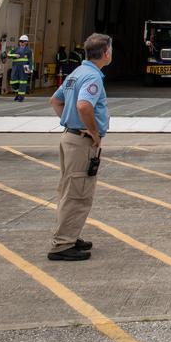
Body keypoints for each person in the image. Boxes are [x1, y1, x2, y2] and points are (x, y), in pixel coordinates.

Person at [48, 33, 113, 262]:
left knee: (69, 190)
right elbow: (84, 105)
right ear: (106, 53)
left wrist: (70, 121)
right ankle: (62, 244)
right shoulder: (93, 77)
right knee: (78, 193)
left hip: (69, 138)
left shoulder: (76, 73)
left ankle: (70, 235)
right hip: (81, 142)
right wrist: (92, 131)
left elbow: (55, 101)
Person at [7, 35, 34, 102]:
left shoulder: (28, 50)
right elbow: (8, 55)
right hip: (15, 67)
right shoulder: (15, 49)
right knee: (13, 81)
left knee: (23, 81)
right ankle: (17, 93)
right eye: (20, 41)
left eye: (22, 41)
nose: (21, 43)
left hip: (25, 67)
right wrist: (14, 55)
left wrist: (31, 68)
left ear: (26, 42)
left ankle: (21, 96)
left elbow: (31, 60)